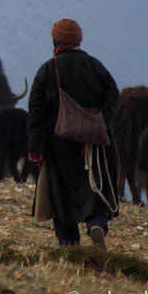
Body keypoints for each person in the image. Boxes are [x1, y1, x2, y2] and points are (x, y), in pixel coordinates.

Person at [27, 18, 120, 249]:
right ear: (78, 40)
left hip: (59, 141)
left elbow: (36, 112)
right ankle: (97, 223)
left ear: (55, 40)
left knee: (61, 194)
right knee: (95, 185)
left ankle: (69, 244)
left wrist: (36, 147)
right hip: (96, 141)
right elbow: (112, 95)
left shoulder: (48, 69)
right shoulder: (96, 66)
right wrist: (101, 122)